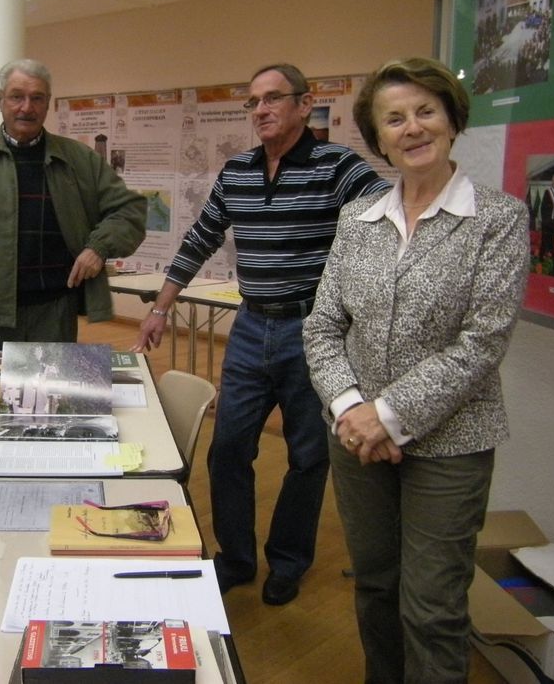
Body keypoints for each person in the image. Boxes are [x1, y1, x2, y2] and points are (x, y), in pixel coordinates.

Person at [302, 57, 529, 682]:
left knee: (432, 608)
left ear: (452, 119)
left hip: (451, 443)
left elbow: (483, 341)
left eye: (426, 111)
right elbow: (323, 326)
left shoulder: (498, 218)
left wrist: (389, 415)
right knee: (375, 586)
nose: (412, 128)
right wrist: (352, 410)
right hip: (356, 442)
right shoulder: (358, 219)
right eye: (394, 119)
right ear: (377, 140)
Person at [131, 63, 389, 605]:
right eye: (254, 102)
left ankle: (289, 562)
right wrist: (160, 308)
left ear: (303, 104)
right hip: (250, 327)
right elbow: (200, 238)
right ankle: (237, 558)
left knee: (307, 455)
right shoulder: (238, 170)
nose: (262, 110)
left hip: (312, 332)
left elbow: (389, 225)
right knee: (227, 449)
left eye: (274, 99)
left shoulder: (339, 167)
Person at [0, 58, 146, 351]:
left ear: (48, 103)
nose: (26, 107)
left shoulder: (80, 160)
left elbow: (131, 211)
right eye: (17, 96)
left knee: (52, 395)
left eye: (36, 98)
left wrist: (98, 247)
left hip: (56, 309)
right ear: (1, 99)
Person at [539, 172, 554, 260]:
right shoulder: (547, 192)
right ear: (552, 181)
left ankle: (550, 261)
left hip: (553, 223)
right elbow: (542, 207)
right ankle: (540, 260)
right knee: (544, 241)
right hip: (547, 222)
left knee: (551, 243)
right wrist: (545, 220)